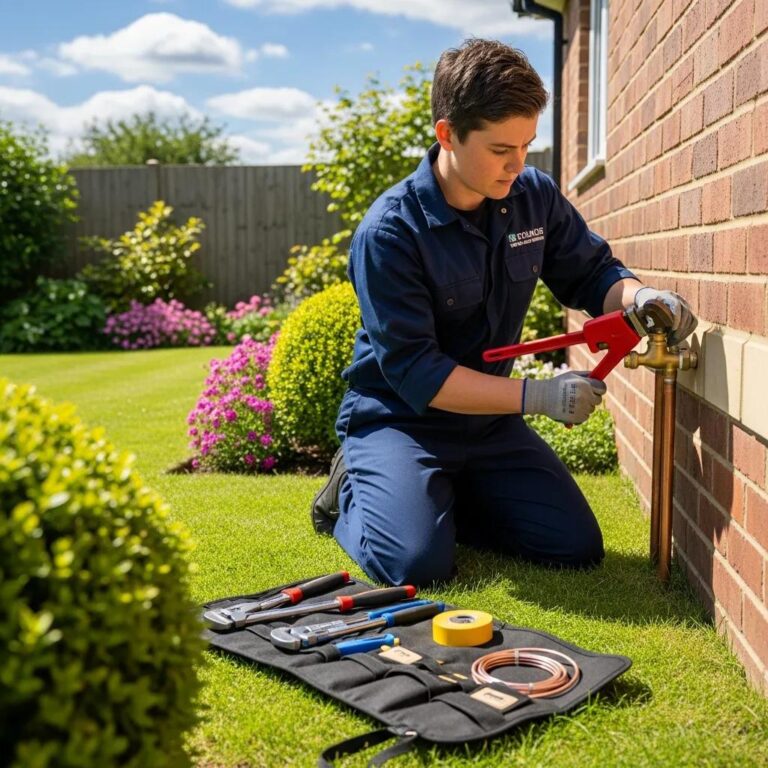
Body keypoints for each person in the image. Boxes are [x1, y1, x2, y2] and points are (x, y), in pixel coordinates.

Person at [311, 39, 697, 587]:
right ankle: (350, 490)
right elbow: (419, 372)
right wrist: (540, 397)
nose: (518, 165)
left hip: (487, 420)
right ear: (447, 134)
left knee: (574, 547)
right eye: (500, 150)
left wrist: (639, 298)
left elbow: (591, 273)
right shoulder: (389, 234)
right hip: (400, 420)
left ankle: (434, 500)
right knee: (417, 564)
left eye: (527, 145)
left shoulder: (532, 196)